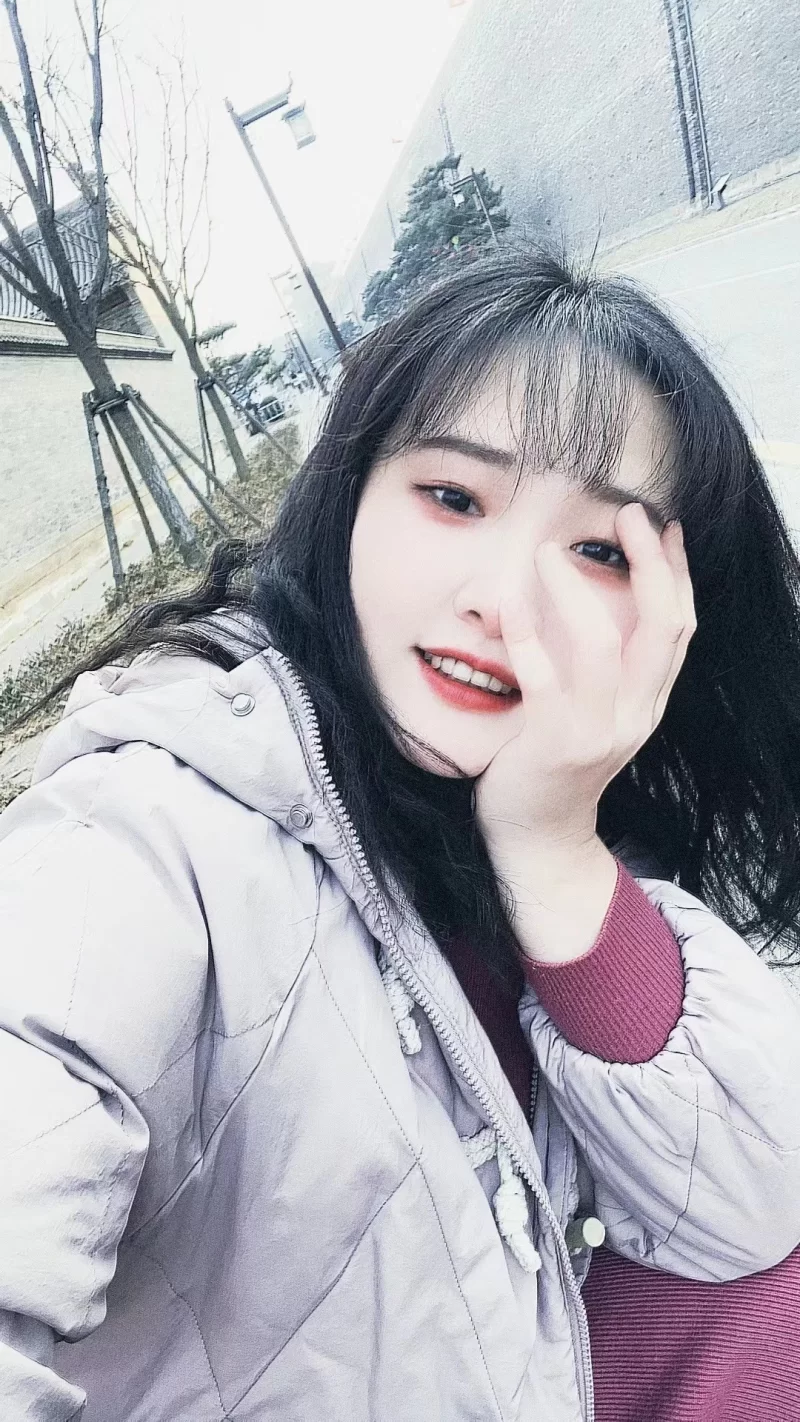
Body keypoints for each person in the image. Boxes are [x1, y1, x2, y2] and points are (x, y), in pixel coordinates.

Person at [2, 251, 800, 1422]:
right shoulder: (151, 839)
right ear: (348, 495)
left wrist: (549, 842)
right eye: (453, 498)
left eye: (595, 550)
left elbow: (745, 1206)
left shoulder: (542, 784)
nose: (502, 600)